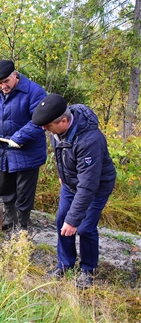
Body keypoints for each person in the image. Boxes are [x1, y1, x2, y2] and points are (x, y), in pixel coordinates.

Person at [32, 93, 116, 288]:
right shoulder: (56, 131)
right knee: (62, 220)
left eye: (48, 126)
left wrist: (74, 220)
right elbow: (61, 153)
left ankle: (88, 270)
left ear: (63, 121)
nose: (44, 129)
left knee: (84, 227)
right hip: (71, 183)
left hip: (96, 186)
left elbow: (88, 185)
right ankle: (65, 264)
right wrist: (63, 174)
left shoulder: (90, 140)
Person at [0, 60, 47, 230]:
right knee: (6, 188)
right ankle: (10, 218)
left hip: (26, 152)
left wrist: (20, 137)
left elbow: (40, 121)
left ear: (15, 74)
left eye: (6, 81)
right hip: (3, 151)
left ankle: (22, 226)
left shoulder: (34, 92)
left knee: (24, 192)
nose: (2, 86)